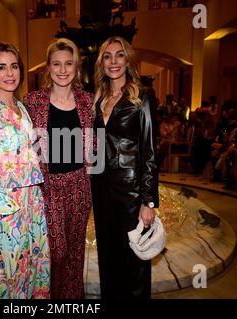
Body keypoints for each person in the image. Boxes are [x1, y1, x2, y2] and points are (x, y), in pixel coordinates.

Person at [0, 42, 50, 299]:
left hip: (33, 202)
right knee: (6, 273)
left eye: (14, 66)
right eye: (1, 67)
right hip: (7, 204)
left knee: (33, 267)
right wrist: (2, 208)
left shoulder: (22, 108)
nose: (9, 73)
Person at [24, 38, 93, 299]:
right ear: (48, 67)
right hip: (48, 186)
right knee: (54, 251)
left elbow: (96, 143)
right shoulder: (33, 102)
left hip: (80, 185)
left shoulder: (88, 101)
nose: (62, 70)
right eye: (56, 64)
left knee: (75, 253)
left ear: (76, 67)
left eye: (68, 63)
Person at [91, 36, 159, 299]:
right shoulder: (98, 99)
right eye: (107, 56)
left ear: (128, 60)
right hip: (101, 189)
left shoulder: (143, 97)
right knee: (107, 254)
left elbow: (150, 150)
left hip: (131, 192)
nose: (113, 62)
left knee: (135, 258)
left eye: (119, 55)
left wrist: (149, 200)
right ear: (102, 63)